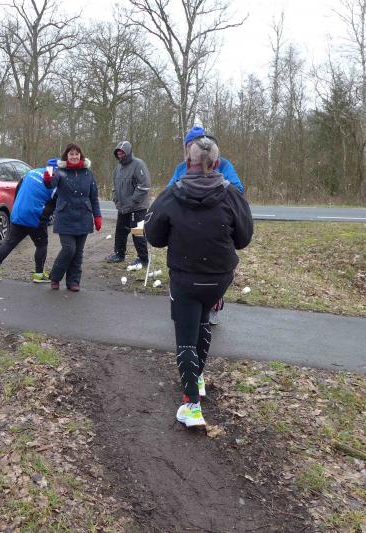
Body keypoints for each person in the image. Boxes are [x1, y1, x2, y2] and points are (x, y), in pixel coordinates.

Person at [145, 135, 253, 428]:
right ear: (217, 163)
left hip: (185, 277)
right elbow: (244, 238)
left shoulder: (172, 194)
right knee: (203, 322)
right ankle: (197, 377)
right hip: (218, 278)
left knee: (185, 338)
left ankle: (192, 406)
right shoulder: (232, 194)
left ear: (187, 162)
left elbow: (154, 236)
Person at [167, 125, 244, 325]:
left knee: (213, 268)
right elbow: (169, 192)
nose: (195, 149)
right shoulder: (181, 168)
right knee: (187, 269)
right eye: (190, 145)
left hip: (214, 224)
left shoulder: (223, 165)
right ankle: (188, 310)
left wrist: (213, 192)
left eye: (197, 144)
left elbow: (237, 190)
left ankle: (212, 307)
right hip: (187, 226)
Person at [0, 162, 56, 283]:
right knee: (41, 244)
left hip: (19, 213)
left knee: (9, 242)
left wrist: (17, 206)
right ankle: (39, 274)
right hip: (36, 216)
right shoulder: (56, 182)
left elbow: (18, 189)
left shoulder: (31, 172)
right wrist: (47, 216)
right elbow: (54, 203)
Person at [44, 143, 101, 292]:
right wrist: (48, 177)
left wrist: (97, 216)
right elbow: (50, 184)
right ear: (66, 156)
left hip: (84, 217)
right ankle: (55, 277)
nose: (74, 156)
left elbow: (93, 197)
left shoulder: (88, 174)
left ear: (80, 155)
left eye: (76, 154)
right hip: (65, 217)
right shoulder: (60, 172)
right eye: (71, 154)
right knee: (69, 249)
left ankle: (73, 281)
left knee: (78, 253)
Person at [107, 141, 151, 269]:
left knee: (137, 233)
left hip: (137, 208)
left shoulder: (138, 164)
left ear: (128, 152)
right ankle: (119, 254)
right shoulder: (117, 169)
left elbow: (144, 185)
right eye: (118, 153)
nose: (120, 155)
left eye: (122, 152)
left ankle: (143, 259)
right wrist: (116, 200)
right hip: (123, 208)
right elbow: (114, 187)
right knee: (120, 232)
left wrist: (132, 202)